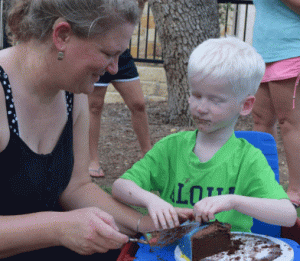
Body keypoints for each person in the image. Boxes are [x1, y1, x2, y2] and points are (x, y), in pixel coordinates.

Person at [0, 0, 166, 259]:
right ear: (62, 35)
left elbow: (75, 187)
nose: (114, 68)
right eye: (108, 53)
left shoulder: (71, 92)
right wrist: (57, 228)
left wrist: (142, 225)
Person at [112, 37, 297, 233]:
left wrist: (233, 201)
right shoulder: (171, 148)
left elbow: (287, 215)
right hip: (171, 248)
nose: (201, 108)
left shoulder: (248, 159)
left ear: (245, 105)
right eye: (196, 95)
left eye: (215, 101)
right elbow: (120, 186)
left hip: (230, 251)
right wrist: (151, 200)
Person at [251, 0, 300, 208]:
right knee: (260, 120)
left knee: (289, 122)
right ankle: (263, 184)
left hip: (291, 47)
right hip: (262, 50)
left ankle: (297, 190)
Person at [88, 48, 151, 177]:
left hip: (121, 55)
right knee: (94, 107)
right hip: (98, 53)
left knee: (138, 104)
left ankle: (148, 154)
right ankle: (92, 160)